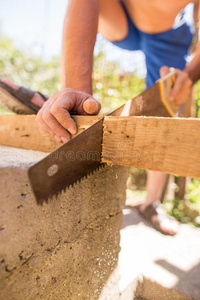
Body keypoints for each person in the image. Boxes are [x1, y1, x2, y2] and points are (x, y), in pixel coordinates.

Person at [1, 0, 200, 234]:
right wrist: (77, 93)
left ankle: (152, 203)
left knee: (168, 107)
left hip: (170, 34)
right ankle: (60, 103)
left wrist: (189, 73)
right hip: (120, 16)